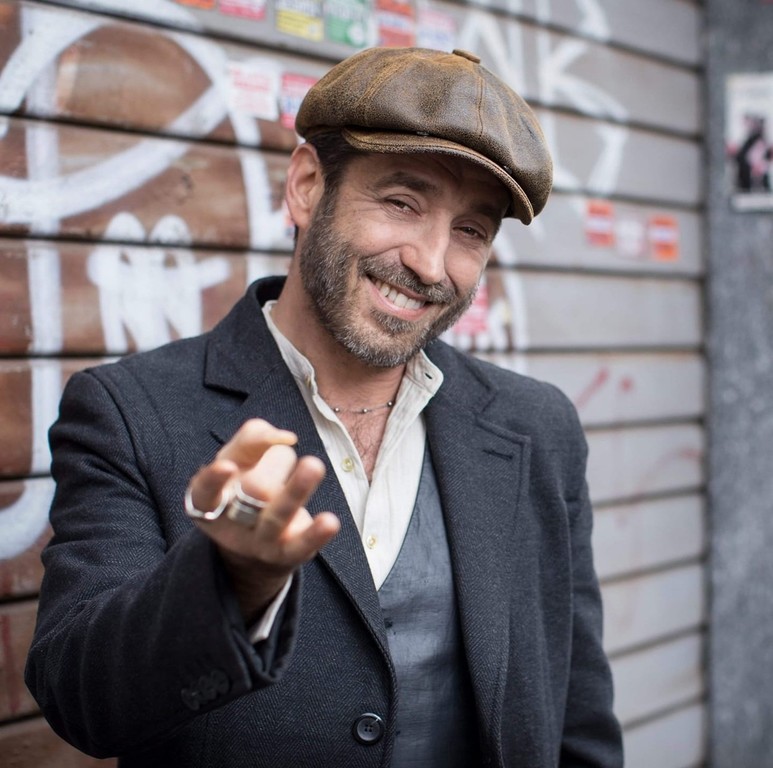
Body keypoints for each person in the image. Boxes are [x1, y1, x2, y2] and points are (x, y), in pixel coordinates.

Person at [25, 47, 623, 767]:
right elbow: (79, 697)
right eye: (402, 203)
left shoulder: (536, 425)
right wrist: (225, 585)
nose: (431, 264)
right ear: (307, 186)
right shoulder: (129, 411)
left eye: (471, 230)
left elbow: (577, 713)